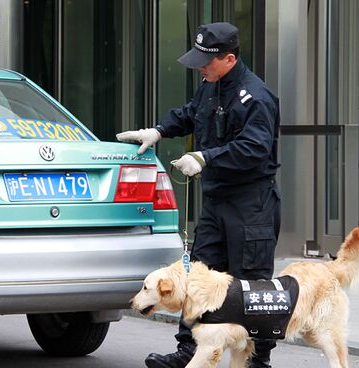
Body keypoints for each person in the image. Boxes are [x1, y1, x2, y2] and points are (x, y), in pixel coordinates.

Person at [117, 22, 280, 368]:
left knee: (252, 283)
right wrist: (158, 131)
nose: (200, 69)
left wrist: (205, 157)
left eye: (206, 62)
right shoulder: (210, 86)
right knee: (198, 276)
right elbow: (191, 115)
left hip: (251, 204)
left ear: (230, 59)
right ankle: (189, 351)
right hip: (216, 201)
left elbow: (255, 148)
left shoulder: (257, 97)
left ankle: (256, 360)